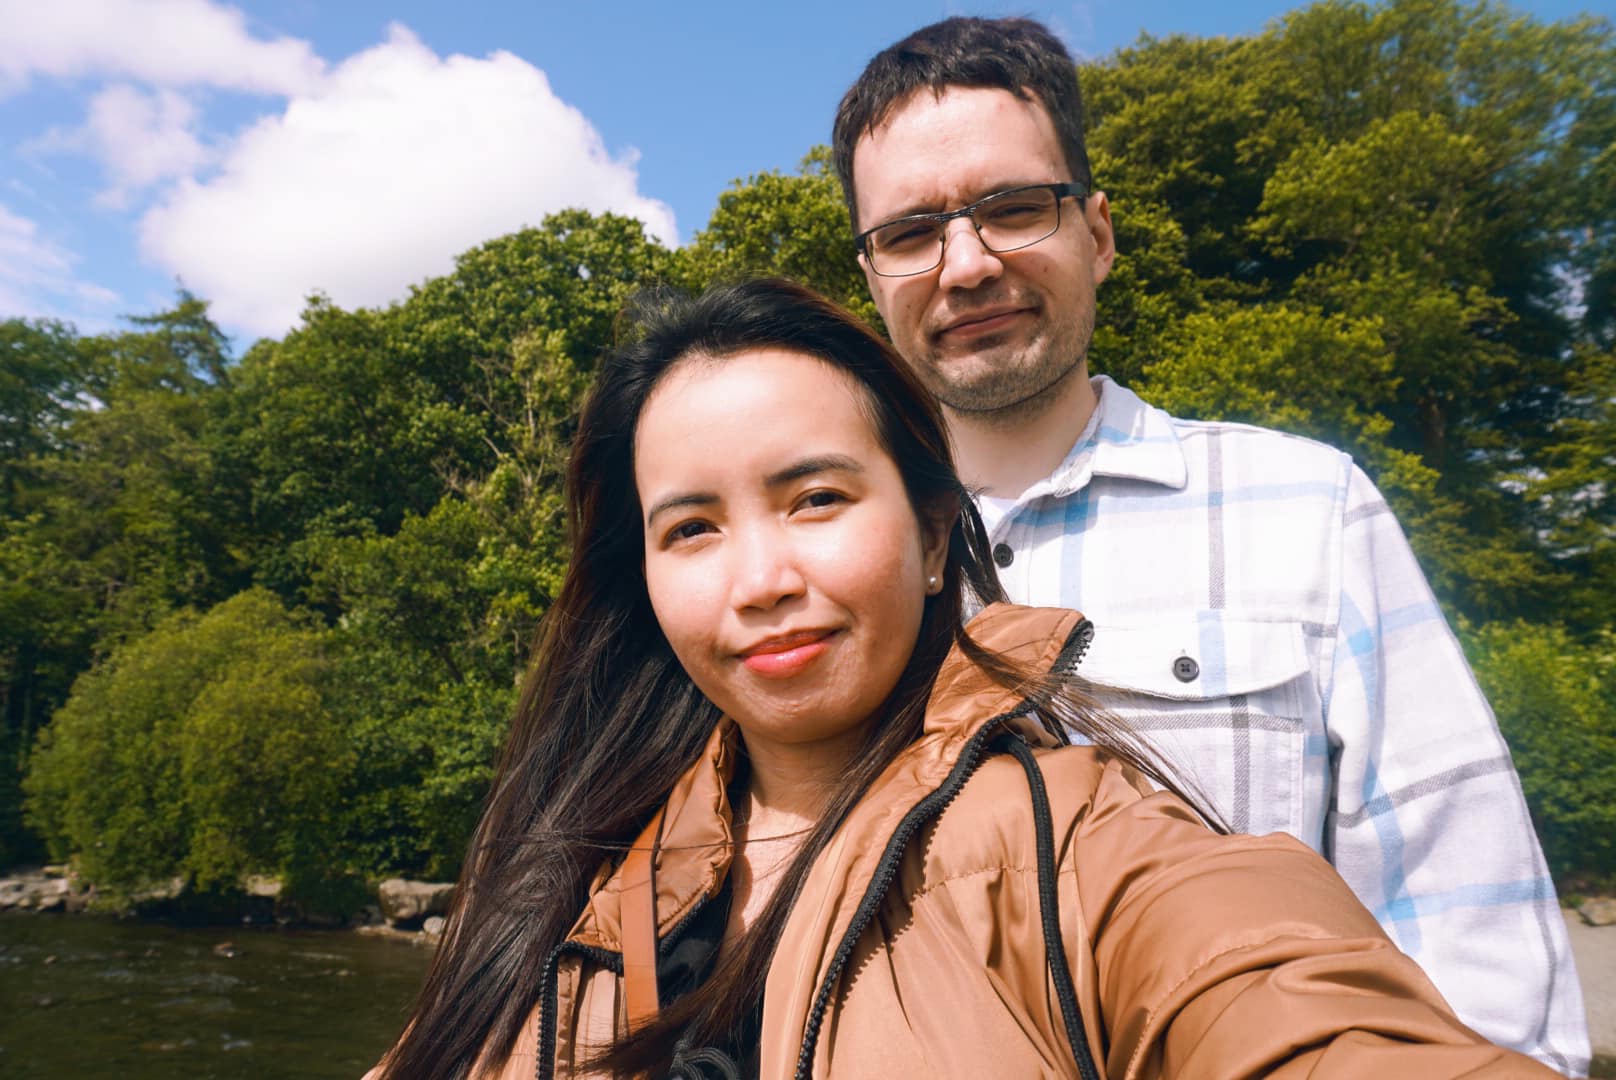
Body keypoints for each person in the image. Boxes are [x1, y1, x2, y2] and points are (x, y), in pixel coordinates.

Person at [371, 278, 1557, 1080]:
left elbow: (1286, 1007)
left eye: (815, 498)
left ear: (935, 535)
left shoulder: (1080, 842)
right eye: (691, 528)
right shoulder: (563, 864)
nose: (761, 579)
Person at [829, 16, 1588, 1075]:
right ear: (872, 277)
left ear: (1097, 233)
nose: (965, 265)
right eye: (911, 233)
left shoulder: (1306, 508)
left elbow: (1470, 939)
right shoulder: (816, 570)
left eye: (1012, 208)